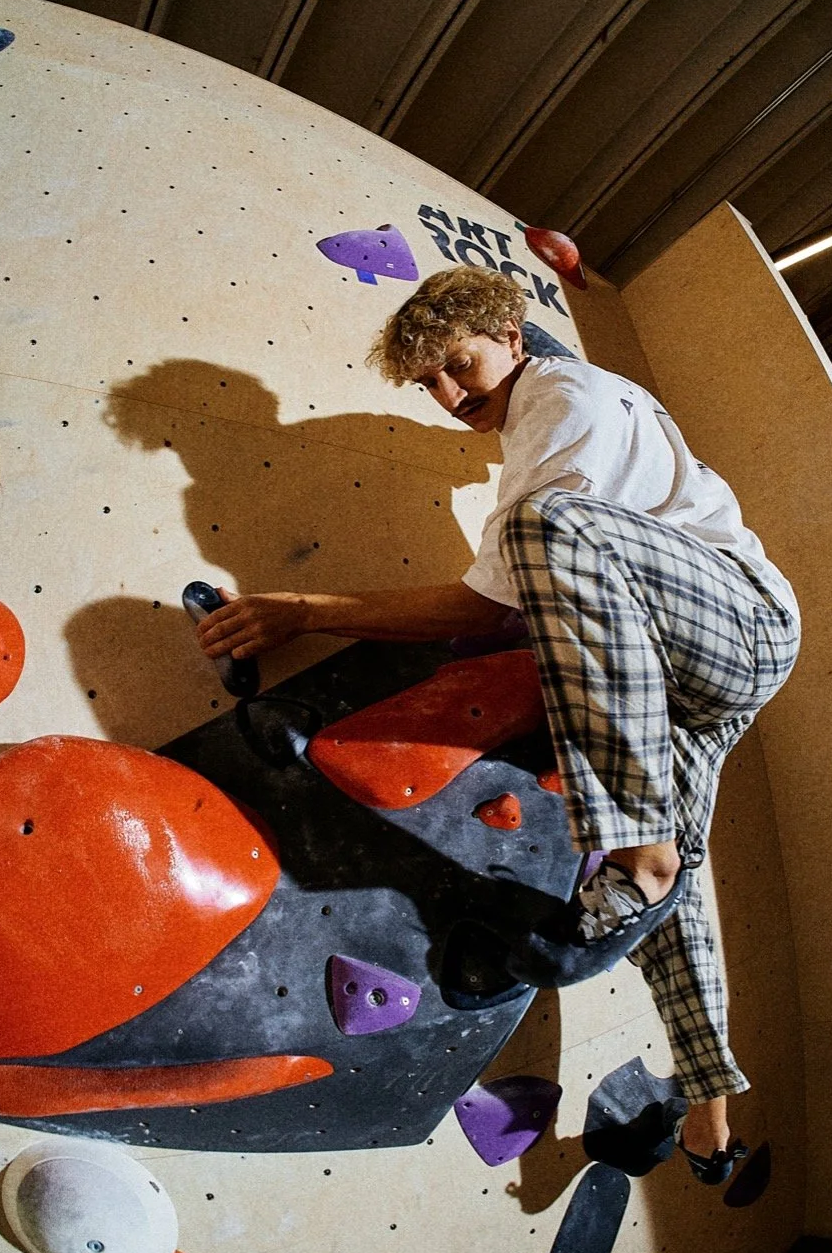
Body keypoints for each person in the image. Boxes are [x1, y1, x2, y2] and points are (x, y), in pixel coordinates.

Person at [196, 265, 800, 1183]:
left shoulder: (564, 399)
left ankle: (637, 847)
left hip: (741, 622)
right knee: (660, 900)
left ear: (513, 339)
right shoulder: (544, 391)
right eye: (426, 383)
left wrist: (305, 611)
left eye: (459, 366)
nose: (447, 397)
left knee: (541, 530)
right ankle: (713, 1120)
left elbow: (489, 605)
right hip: (679, 677)